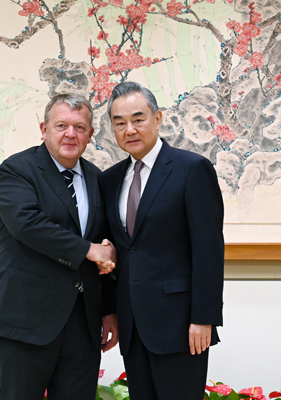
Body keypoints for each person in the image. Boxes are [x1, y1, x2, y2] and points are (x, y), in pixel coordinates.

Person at [0, 93, 119, 400]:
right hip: (24, 321)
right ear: (44, 129)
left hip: (82, 325)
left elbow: (105, 246)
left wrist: (109, 310)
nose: (71, 134)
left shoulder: (98, 179)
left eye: (80, 127)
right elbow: (27, 224)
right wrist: (88, 249)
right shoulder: (18, 170)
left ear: (91, 134)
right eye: (61, 126)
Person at [100, 81, 225, 400]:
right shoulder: (110, 180)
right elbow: (114, 251)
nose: (129, 129)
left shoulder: (192, 169)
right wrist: (109, 309)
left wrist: (204, 318)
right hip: (133, 326)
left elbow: (208, 250)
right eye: (119, 122)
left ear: (157, 118)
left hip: (182, 326)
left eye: (138, 119)